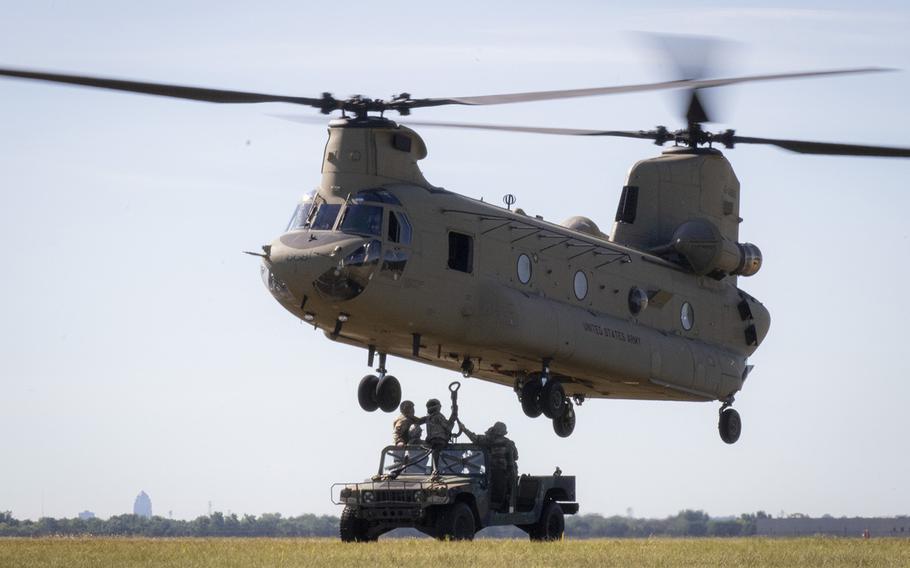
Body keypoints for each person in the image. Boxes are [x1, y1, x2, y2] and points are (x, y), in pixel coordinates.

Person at [459, 420, 519, 511]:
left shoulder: (488, 440)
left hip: (492, 472)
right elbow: (515, 457)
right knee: (508, 494)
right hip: (504, 473)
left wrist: (464, 429)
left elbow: (474, 438)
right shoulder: (509, 443)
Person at [424, 397, 458, 475]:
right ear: (438, 407)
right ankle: (435, 470)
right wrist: (453, 417)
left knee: (436, 452)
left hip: (432, 440)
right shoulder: (438, 416)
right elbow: (447, 427)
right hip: (439, 439)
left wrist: (454, 414)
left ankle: (435, 469)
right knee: (436, 452)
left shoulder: (428, 417)